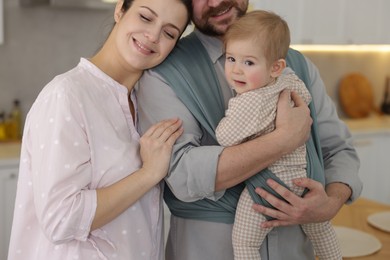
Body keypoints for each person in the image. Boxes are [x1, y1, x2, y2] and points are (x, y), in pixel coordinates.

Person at [136, 0, 362, 259]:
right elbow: (181, 173)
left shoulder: (296, 65)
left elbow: (338, 148)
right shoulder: (164, 73)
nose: (217, 1)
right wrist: (283, 140)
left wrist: (331, 203)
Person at [7, 0, 191, 259]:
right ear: (120, 10)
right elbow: (61, 219)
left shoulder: (143, 105)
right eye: (146, 18)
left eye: (169, 33)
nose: (153, 36)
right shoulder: (67, 95)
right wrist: (148, 174)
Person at [215, 10, 341, 260]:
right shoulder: (289, 79)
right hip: (303, 179)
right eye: (231, 59)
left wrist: (231, 111)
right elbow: (304, 98)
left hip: (270, 185)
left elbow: (224, 137)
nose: (236, 70)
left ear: (275, 67)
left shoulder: (249, 102)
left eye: (248, 62)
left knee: (245, 243)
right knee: (321, 229)